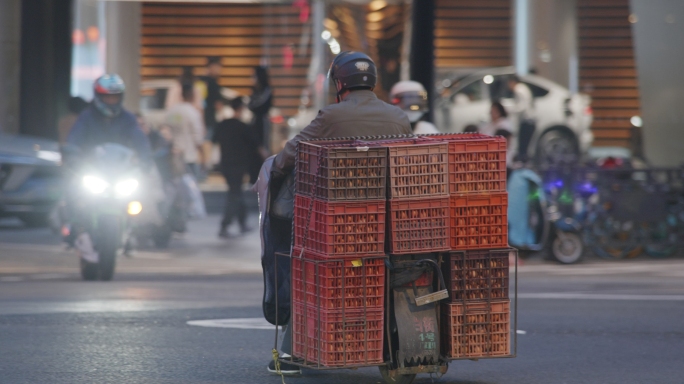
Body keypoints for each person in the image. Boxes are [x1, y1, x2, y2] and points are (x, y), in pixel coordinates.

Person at [267, 51, 411, 376]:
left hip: (340, 222)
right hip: (392, 223)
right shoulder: (399, 117)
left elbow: (295, 149)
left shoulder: (331, 116)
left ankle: (291, 354)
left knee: (307, 267)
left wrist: (273, 167)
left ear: (340, 82)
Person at [67, 74, 151, 165]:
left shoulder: (128, 119)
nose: (112, 101)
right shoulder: (86, 118)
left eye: (115, 97)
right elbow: (74, 141)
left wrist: (145, 160)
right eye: (108, 97)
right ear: (98, 97)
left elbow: (141, 142)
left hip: (122, 169)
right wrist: (73, 158)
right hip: (92, 168)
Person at [213, 97, 259, 238]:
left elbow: (214, 140)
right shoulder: (243, 126)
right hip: (239, 165)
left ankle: (241, 223)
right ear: (241, 108)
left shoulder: (223, 124)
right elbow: (254, 145)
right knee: (235, 193)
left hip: (226, 164)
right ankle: (225, 225)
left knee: (236, 191)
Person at [164, 84, 205, 179]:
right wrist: (203, 157)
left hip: (173, 156)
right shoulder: (193, 113)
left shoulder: (172, 111)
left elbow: (165, 131)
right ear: (192, 95)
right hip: (189, 158)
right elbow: (197, 138)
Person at [248, 66, 273, 183]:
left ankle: (264, 177)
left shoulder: (267, 90)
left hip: (262, 122)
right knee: (253, 148)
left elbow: (257, 105)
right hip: (254, 121)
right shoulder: (255, 90)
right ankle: (253, 177)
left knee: (262, 147)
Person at [507, 75, 536, 162]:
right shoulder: (524, 88)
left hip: (526, 121)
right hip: (530, 121)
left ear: (512, 82)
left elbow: (522, 107)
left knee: (522, 147)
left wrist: (510, 110)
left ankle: (522, 166)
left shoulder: (518, 89)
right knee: (526, 147)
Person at [199, 56, 223, 137]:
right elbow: (218, 104)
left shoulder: (199, 80)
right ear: (212, 66)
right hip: (209, 120)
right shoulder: (212, 82)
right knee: (207, 146)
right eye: (218, 67)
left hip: (198, 120)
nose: (219, 70)